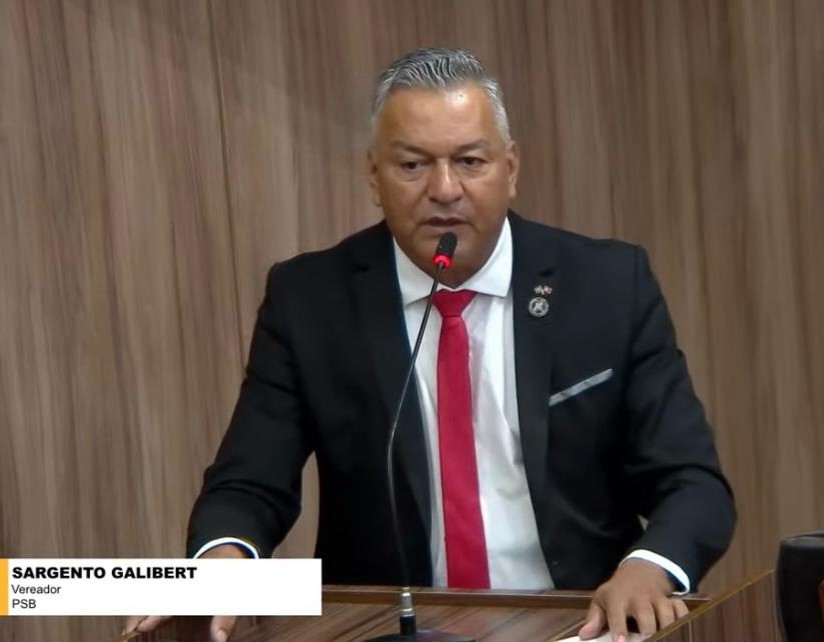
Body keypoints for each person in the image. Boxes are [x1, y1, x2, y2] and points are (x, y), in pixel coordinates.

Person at [125, 48, 735, 642]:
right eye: (413, 165)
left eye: (470, 161)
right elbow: (249, 482)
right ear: (374, 175)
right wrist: (223, 560)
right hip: (391, 628)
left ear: (510, 169)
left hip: (576, 621)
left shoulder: (607, 285)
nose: (445, 189)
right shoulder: (310, 300)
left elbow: (692, 482)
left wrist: (649, 567)